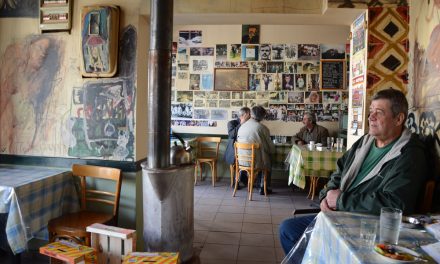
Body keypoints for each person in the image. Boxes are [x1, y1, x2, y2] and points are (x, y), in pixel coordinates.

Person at [279, 88, 428, 258]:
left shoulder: (409, 154)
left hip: (365, 223)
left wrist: (342, 201)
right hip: (340, 213)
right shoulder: (366, 141)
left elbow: (395, 203)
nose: (370, 117)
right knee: (288, 230)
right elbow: (340, 170)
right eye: (371, 111)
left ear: (399, 119)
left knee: (292, 232)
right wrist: (325, 196)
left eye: (378, 112)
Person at [237, 106, 275, 195]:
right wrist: (272, 150)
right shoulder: (262, 128)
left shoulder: (242, 126)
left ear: (251, 114)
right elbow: (269, 147)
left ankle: (244, 178)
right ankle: (262, 186)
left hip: (242, 160)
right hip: (255, 162)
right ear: (262, 116)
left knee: (261, 156)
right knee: (267, 160)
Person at [224, 107, 251, 189]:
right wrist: (241, 123)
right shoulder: (232, 123)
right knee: (237, 160)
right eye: (249, 114)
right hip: (233, 151)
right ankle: (236, 182)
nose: (250, 116)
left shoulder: (250, 124)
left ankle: (245, 179)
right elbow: (232, 135)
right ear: (245, 115)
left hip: (245, 150)